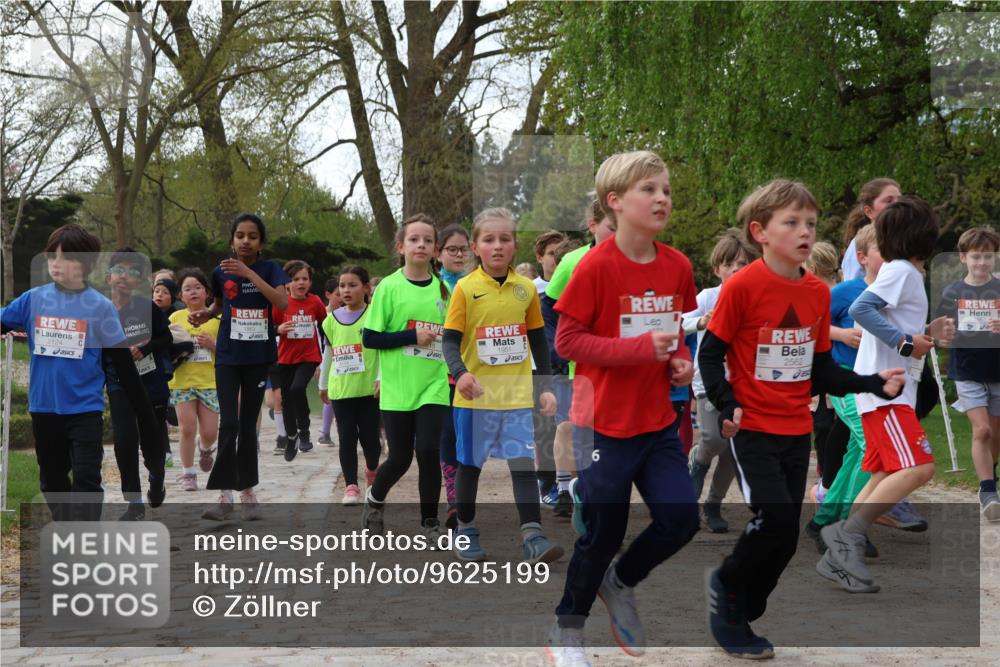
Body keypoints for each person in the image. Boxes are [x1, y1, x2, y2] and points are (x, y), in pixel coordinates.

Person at [699, 179, 905, 656]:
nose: (804, 231)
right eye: (791, 222)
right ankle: (729, 596)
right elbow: (711, 354)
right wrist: (727, 403)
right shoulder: (741, 287)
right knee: (773, 520)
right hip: (752, 427)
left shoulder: (815, 292)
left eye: (810, 223)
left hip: (796, 428)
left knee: (787, 535)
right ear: (761, 231)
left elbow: (820, 370)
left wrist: (874, 383)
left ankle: (736, 597)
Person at [546, 151, 699, 665]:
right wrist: (640, 351)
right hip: (602, 427)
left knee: (681, 520)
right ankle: (567, 631)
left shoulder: (677, 265)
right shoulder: (594, 267)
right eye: (649, 190)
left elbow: (672, 333)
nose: (662, 199)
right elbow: (567, 342)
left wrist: (679, 360)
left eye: (666, 190)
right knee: (601, 535)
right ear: (615, 202)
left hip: (656, 421)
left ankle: (622, 581)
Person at [0, 224, 160, 521]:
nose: (56, 264)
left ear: (85, 264)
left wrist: (146, 416)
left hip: (84, 410)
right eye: (51, 257)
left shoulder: (100, 307)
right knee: (52, 482)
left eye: (65, 258)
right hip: (43, 409)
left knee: (87, 479)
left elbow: (123, 366)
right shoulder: (33, 300)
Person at [442, 207, 562, 564]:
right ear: (476, 247)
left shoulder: (526, 290)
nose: (498, 246)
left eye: (505, 239)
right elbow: (450, 342)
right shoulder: (464, 289)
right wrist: (460, 373)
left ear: (515, 245)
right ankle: (466, 531)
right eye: (489, 240)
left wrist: (545, 385)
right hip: (475, 399)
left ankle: (534, 537)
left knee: (522, 464)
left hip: (516, 397)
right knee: (471, 467)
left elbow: (539, 341)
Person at [189, 213, 290, 521]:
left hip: (258, 357)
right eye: (240, 235)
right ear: (231, 239)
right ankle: (224, 495)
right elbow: (220, 305)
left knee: (248, 426)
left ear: (261, 242)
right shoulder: (221, 271)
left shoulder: (270, 269)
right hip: (229, 356)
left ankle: (248, 490)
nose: (246, 241)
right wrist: (205, 314)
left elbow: (281, 302)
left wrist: (248, 273)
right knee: (229, 423)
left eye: (252, 236)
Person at [361, 214, 451, 537]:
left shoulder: (443, 291)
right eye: (414, 239)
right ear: (401, 246)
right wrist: (411, 337)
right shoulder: (388, 287)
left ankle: (429, 522)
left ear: (435, 249)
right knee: (399, 458)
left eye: (428, 240)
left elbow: (452, 337)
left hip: (434, 384)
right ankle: (374, 499)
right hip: (398, 387)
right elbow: (369, 338)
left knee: (428, 451)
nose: (421, 245)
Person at [804, 224, 884, 555]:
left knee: (856, 448)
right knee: (868, 442)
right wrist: (842, 336)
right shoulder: (844, 291)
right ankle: (848, 527)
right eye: (883, 248)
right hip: (841, 376)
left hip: (871, 379)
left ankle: (823, 521)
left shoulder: (890, 291)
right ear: (862, 257)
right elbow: (810, 323)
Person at [541, 199, 617, 517]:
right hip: (577, 366)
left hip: (618, 365)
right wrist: (559, 348)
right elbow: (549, 307)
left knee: (608, 432)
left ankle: (587, 491)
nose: (618, 234)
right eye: (612, 227)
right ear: (593, 225)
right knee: (572, 427)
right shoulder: (573, 261)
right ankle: (565, 487)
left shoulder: (636, 257)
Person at [683, 228, 753, 533]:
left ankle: (712, 504)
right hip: (709, 383)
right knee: (713, 438)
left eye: (742, 263)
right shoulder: (709, 296)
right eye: (730, 264)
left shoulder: (755, 297)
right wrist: (701, 321)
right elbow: (679, 321)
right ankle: (698, 460)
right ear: (717, 269)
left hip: (744, 383)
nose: (736, 269)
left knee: (732, 445)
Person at [935, 226, 1000, 519]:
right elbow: (940, 335)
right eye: (976, 257)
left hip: (997, 371)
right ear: (962, 258)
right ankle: (988, 489)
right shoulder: (953, 292)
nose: (982, 263)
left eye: (988, 256)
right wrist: (944, 338)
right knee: (982, 429)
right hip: (967, 372)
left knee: (996, 435)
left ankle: (989, 478)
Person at [104, 248, 173, 520]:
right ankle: (133, 501)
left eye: (132, 272)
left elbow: (166, 338)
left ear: (139, 280)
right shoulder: (100, 310)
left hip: (149, 382)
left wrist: (145, 348)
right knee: (124, 439)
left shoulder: (147, 308)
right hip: (118, 381)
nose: (124, 276)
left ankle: (157, 478)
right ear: (108, 276)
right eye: (119, 270)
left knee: (152, 440)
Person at [319, 265, 382, 505]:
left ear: (366, 288)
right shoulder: (330, 321)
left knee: (370, 438)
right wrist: (323, 384)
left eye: (352, 285)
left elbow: (383, 352)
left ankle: (372, 473)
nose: (346, 290)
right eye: (342, 286)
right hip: (341, 390)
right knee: (346, 437)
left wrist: (381, 378)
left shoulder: (375, 315)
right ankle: (351, 486)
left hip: (369, 390)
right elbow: (328, 353)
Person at [169, 268, 220, 492]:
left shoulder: (217, 319)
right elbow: (166, 348)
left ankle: (206, 447)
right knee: (186, 428)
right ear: (181, 296)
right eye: (187, 289)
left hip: (210, 381)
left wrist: (213, 345)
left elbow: (228, 352)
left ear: (207, 293)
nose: (193, 292)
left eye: (198, 287)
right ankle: (188, 473)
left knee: (210, 432)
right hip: (182, 382)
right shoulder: (175, 318)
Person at [436, 223, 472, 528]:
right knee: (447, 435)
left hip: (472, 372)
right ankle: (453, 503)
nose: (459, 254)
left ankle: (464, 496)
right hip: (439, 374)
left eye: (464, 248)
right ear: (439, 253)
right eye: (452, 249)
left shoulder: (476, 284)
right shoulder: (432, 286)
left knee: (468, 438)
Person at [274, 260, 327, 460]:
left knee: (297, 389)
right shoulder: (280, 303)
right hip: (286, 357)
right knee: (285, 399)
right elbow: (268, 328)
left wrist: (330, 350)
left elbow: (325, 326)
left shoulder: (315, 302)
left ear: (310, 282)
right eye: (296, 279)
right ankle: (291, 436)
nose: (300, 283)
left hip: (309, 356)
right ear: (287, 283)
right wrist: (278, 329)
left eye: (305, 279)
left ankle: (304, 431)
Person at [840, 178, 901, 281]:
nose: (897, 204)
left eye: (899, 199)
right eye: (889, 200)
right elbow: (852, 289)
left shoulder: (904, 240)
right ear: (868, 211)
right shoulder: (858, 245)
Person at [318, 278, 343, 446]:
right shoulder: (322, 316)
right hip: (323, 360)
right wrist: (319, 365)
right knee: (330, 395)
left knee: (337, 395)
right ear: (328, 294)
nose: (341, 297)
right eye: (338, 294)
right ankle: (324, 432)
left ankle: (330, 432)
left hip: (342, 359)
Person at [533, 230, 567, 295]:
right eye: (552, 253)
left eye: (561, 253)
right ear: (539, 258)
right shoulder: (532, 288)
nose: (558, 257)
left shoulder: (573, 285)